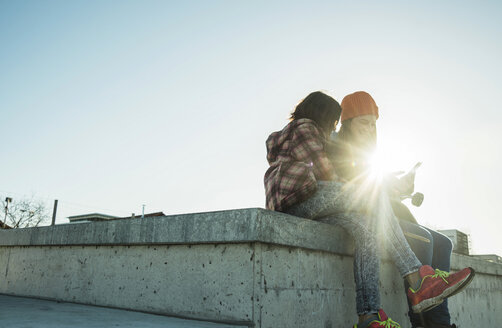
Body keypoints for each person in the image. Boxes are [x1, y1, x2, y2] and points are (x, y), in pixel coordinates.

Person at [264, 91, 474, 328]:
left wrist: (394, 187)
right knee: (370, 195)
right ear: (322, 115)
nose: (333, 125)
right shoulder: (304, 127)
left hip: (314, 201)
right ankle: (417, 279)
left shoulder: (320, 136)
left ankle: (368, 317)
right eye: (333, 120)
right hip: (297, 202)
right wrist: (359, 190)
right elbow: (325, 171)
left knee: (366, 230)